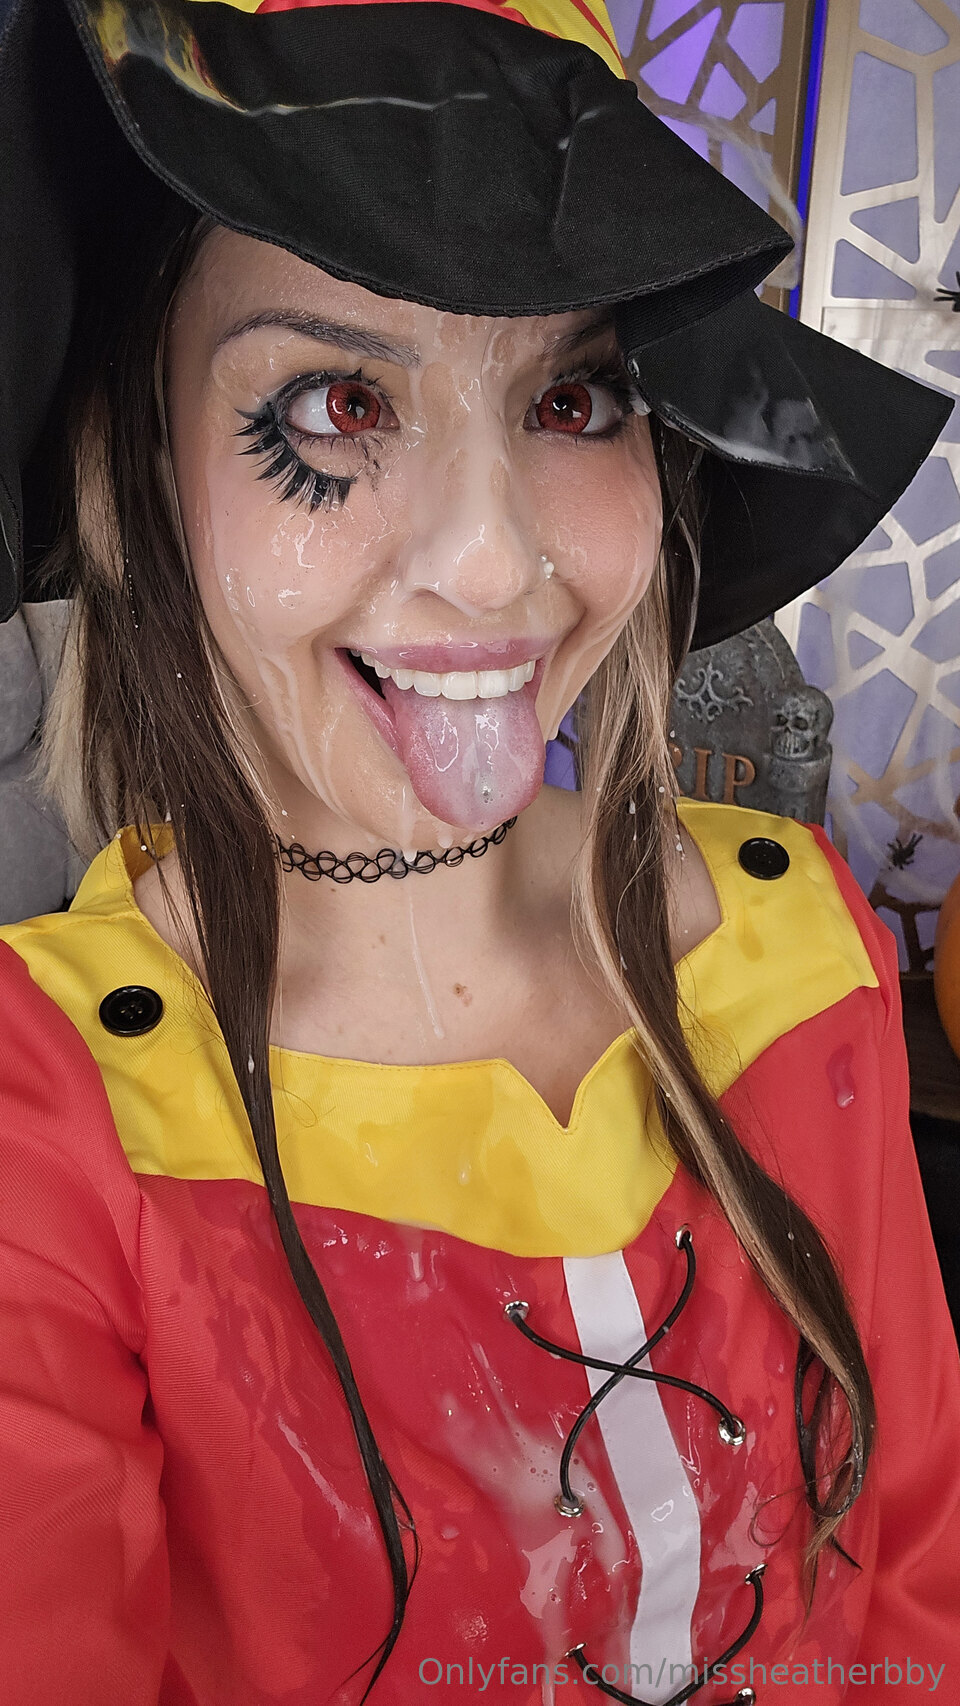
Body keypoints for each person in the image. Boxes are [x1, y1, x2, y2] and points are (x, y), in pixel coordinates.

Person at [0, 0, 958, 1702]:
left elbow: (917, 1584)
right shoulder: (51, 1120)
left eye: (572, 395)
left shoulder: (802, 953)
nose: (497, 561)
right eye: (337, 400)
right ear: (136, 466)